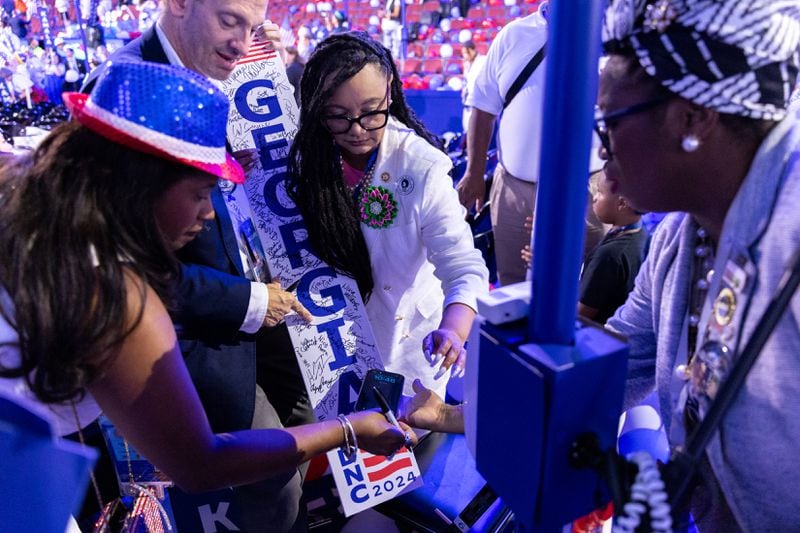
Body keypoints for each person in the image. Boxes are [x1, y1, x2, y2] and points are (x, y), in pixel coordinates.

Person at [0, 60, 414, 529]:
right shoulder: (115, 299)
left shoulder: (21, 194)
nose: (209, 214)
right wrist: (348, 429)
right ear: (140, 186)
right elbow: (200, 463)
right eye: (200, 193)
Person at [82, 1, 317, 530]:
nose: (242, 42)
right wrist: (253, 301)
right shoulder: (125, 84)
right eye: (230, 20)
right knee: (274, 480)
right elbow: (127, 275)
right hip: (202, 333)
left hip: (261, 302)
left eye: (253, 28)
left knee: (306, 432)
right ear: (179, 4)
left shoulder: (218, 72)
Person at [600, 0, 800, 529]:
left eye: (609, 126)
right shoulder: (678, 239)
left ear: (693, 117)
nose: (604, 157)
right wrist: (458, 416)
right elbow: (616, 364)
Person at [286, 32, 489, 399]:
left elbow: (463, 268)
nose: (358, 130)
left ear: (390, 92)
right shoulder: (305, 157)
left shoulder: (422, 167)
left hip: (405, 348)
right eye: (338, 116)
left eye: (371, 111)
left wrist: (454, 332)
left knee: (398, 443)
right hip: (324, 346)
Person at [457, 2, 548, 286]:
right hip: (513, 189)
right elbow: (483, 110)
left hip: (585, 192)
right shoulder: (513, 35)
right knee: (512, 284)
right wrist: (474, 173)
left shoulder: (608, 38)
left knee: (585, 295)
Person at [577, 168, 647, 324]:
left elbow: (581, 314)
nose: (594, 198)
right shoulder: (641, 234)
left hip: (597, 338)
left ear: (622, 203)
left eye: (600, 193)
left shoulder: (609, 255)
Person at [459, 40, 486, 136]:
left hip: (478, 102)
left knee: (477, 131)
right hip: (467, 101)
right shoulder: (467, 64)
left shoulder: (483, 61)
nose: (465, 56)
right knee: (466, 128)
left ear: (472, 50)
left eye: (466, 53)